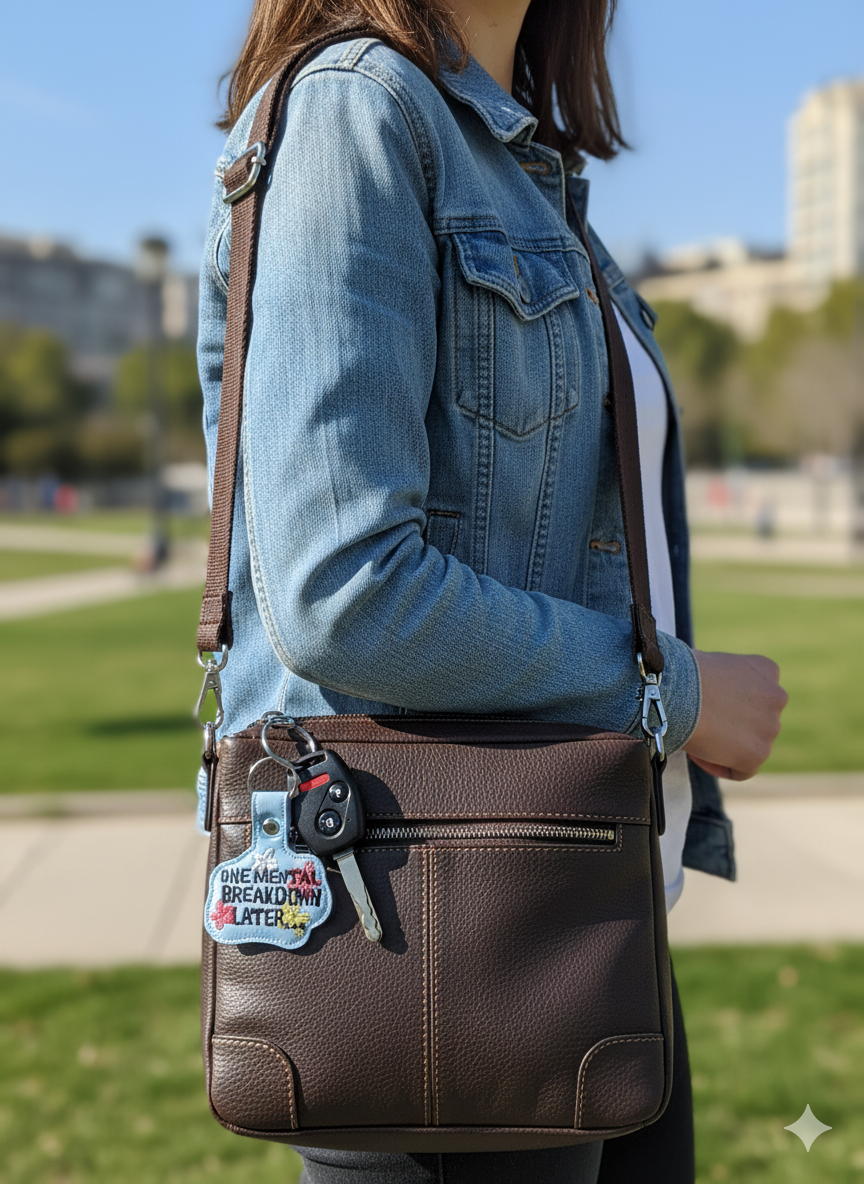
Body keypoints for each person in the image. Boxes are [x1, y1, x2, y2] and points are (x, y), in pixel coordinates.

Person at [197, 0, 788, 1180]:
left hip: (583, 889)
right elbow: (342, 590)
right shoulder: (359, 110)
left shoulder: (523, 168)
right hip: (429, 916)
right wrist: (672, 691)